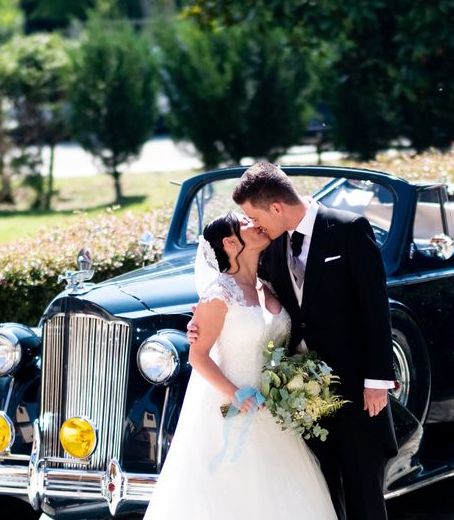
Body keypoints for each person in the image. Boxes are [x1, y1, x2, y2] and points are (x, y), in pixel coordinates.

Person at [190, 162, 398, 520]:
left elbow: (376, 307)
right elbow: (242, 298)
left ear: (276, 207)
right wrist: (197, 326)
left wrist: (377, 380)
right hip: (299, 401)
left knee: (365, 495)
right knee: (323, 496)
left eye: (254, 217)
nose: (254, 226)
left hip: (356, 391)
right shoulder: (270, 248)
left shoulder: (349, 230)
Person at [144, 212, 337, 520]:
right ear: (231, 243)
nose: (257, 222)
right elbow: (198, 356)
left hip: (274, 410)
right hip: (232, 408)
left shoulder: (268, 287)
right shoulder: (219, 294)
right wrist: (235, 393)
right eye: (247, 222)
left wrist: (296, 381)